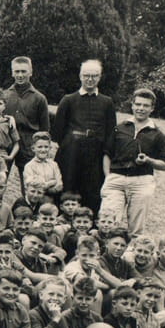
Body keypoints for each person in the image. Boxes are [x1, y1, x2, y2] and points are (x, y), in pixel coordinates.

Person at [100, 88, 165, 237]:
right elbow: (107, 154)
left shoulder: (156, 134)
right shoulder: (120, 128)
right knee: (108, 224)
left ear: (152, 108)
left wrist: (148, 160)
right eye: (138, 104)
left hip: (141, 183)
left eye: (146, 105)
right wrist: (108, 176)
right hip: (116, 181)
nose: (141, 108)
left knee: (136, 231)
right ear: (132, 105)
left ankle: (131, 251)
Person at [52, 59, 116, 214]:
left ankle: (89, 222)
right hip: (71, 152)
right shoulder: (68, 100)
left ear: (99, 77)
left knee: (92, 189)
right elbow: (58, 131)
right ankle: (63, 219)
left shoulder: (107, 102)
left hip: (96, 153)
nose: (90, 79)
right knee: (68, 185)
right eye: (86, 75)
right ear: (80, 76)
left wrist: (106, 154)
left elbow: (111, 132)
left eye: (94, 76)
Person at [2, 56, 50, 195]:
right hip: (7, 141)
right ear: (12, 73)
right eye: (17, 71)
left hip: (28, 143)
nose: (20, 75)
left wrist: (40, 149)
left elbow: (45, 129)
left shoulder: (39, 98)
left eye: (23, 71)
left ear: (31, 72)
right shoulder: (5, 95)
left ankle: (28, 207)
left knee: (30, 183)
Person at [23, 131, 63, 203]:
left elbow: (59, 185)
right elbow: (32, 187)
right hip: (35, 201)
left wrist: (45, 186)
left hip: (52, 200)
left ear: (50, 148)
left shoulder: (54, 165)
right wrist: (52, 182)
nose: (43, 150)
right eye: (40, 147)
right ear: (33, 148)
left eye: (46, 147)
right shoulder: (29, 166)